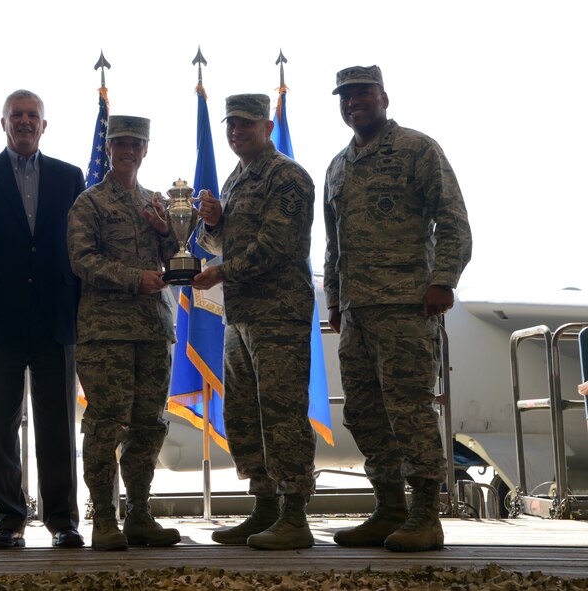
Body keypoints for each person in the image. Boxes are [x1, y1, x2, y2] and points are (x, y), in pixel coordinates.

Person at [323, 65, 472, 552]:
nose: (353, 103)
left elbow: (453, 219)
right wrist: (335, 302)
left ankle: (427, 516)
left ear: (383, 97)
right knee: (363, 414)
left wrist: (443, 280)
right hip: (357, 312)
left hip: (407, 305)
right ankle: (389, 509)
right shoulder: (338, 167)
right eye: (345, 96)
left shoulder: (416, 149)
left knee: (410, 410)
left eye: (362, 94)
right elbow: (333, 245)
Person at [0, 90, 85, 550]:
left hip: (55, 321)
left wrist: (82, 315)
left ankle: (62, 519)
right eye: (16, 116)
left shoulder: (70, 178)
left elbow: (80, 251)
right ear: (2, 123)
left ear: (44, 125)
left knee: (59, 425)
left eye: (33, 116)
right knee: (0, 425)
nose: (24, 122)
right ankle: (8, 519)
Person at [192, 94, 317, 551]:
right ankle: (264, 507)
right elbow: (221, 241)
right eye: (231, 125)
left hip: (277, 314)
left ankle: (295, 516)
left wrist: (221, 271)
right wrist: (213, 221)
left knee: (282, 414)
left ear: (267, 126)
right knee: (243, 414)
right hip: (240, 314)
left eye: (245, 124)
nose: (236, 132)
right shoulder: (236, 178)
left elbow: (276, 245)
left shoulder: (288, 176)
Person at [67, 115, 182, 551]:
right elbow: (82, 260)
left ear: (145, 150)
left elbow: (179, 259)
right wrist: (135, 278)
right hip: (106, 332)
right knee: (105, 424)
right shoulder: (90, 203)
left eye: (137, 145)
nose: (129, 152)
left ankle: (139, 512)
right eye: (121, 144)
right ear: (108, 148)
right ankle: (103, 517)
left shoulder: (157, 203)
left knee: (149, 425)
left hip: (153, 330)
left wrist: (165, 231)